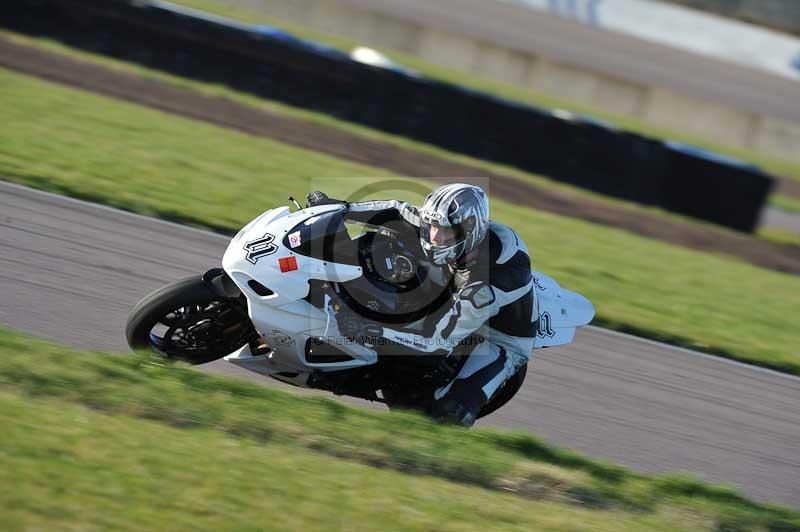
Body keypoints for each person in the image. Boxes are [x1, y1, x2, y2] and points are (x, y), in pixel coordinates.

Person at [307, 184, 537, 426]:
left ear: (469, 230)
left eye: (444, 233)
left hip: (495, 338)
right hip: (451, 294)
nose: (434, 239)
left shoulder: (488, 280)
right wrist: (339, 208)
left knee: (444, 416)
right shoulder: (449, 227)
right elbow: (396, 211)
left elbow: (435, 342)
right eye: (432, 228)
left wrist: (368, 330)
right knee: (393, 358)